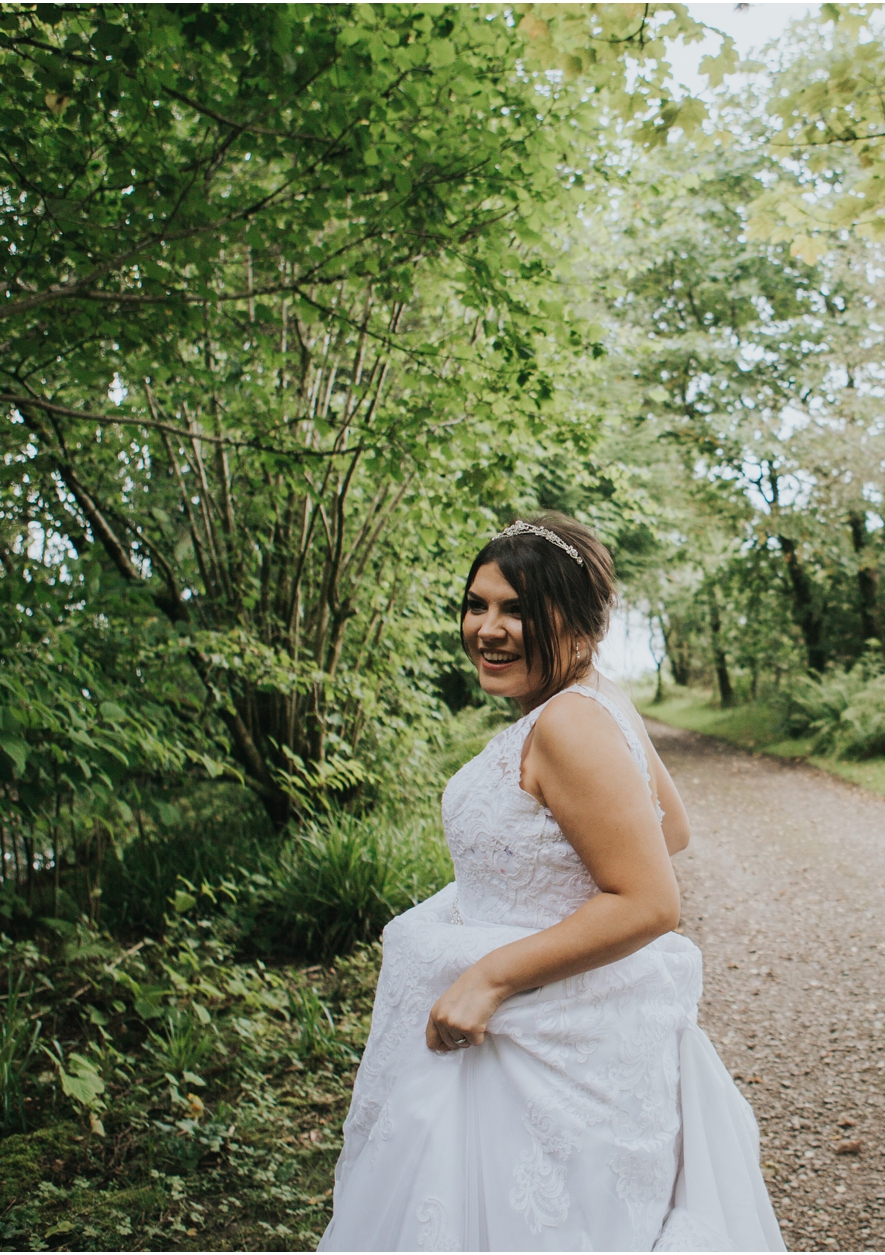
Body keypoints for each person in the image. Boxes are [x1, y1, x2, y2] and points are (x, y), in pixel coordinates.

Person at [319, 513, 784, 1252]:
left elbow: (653, 897)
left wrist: (492, 973)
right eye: (478, 604)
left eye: (518, 609)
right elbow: (671, 831)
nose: (488, 628)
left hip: (533, 1051)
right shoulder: (597, 700)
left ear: (580, 624)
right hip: (555, 1032)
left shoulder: (570, 723)